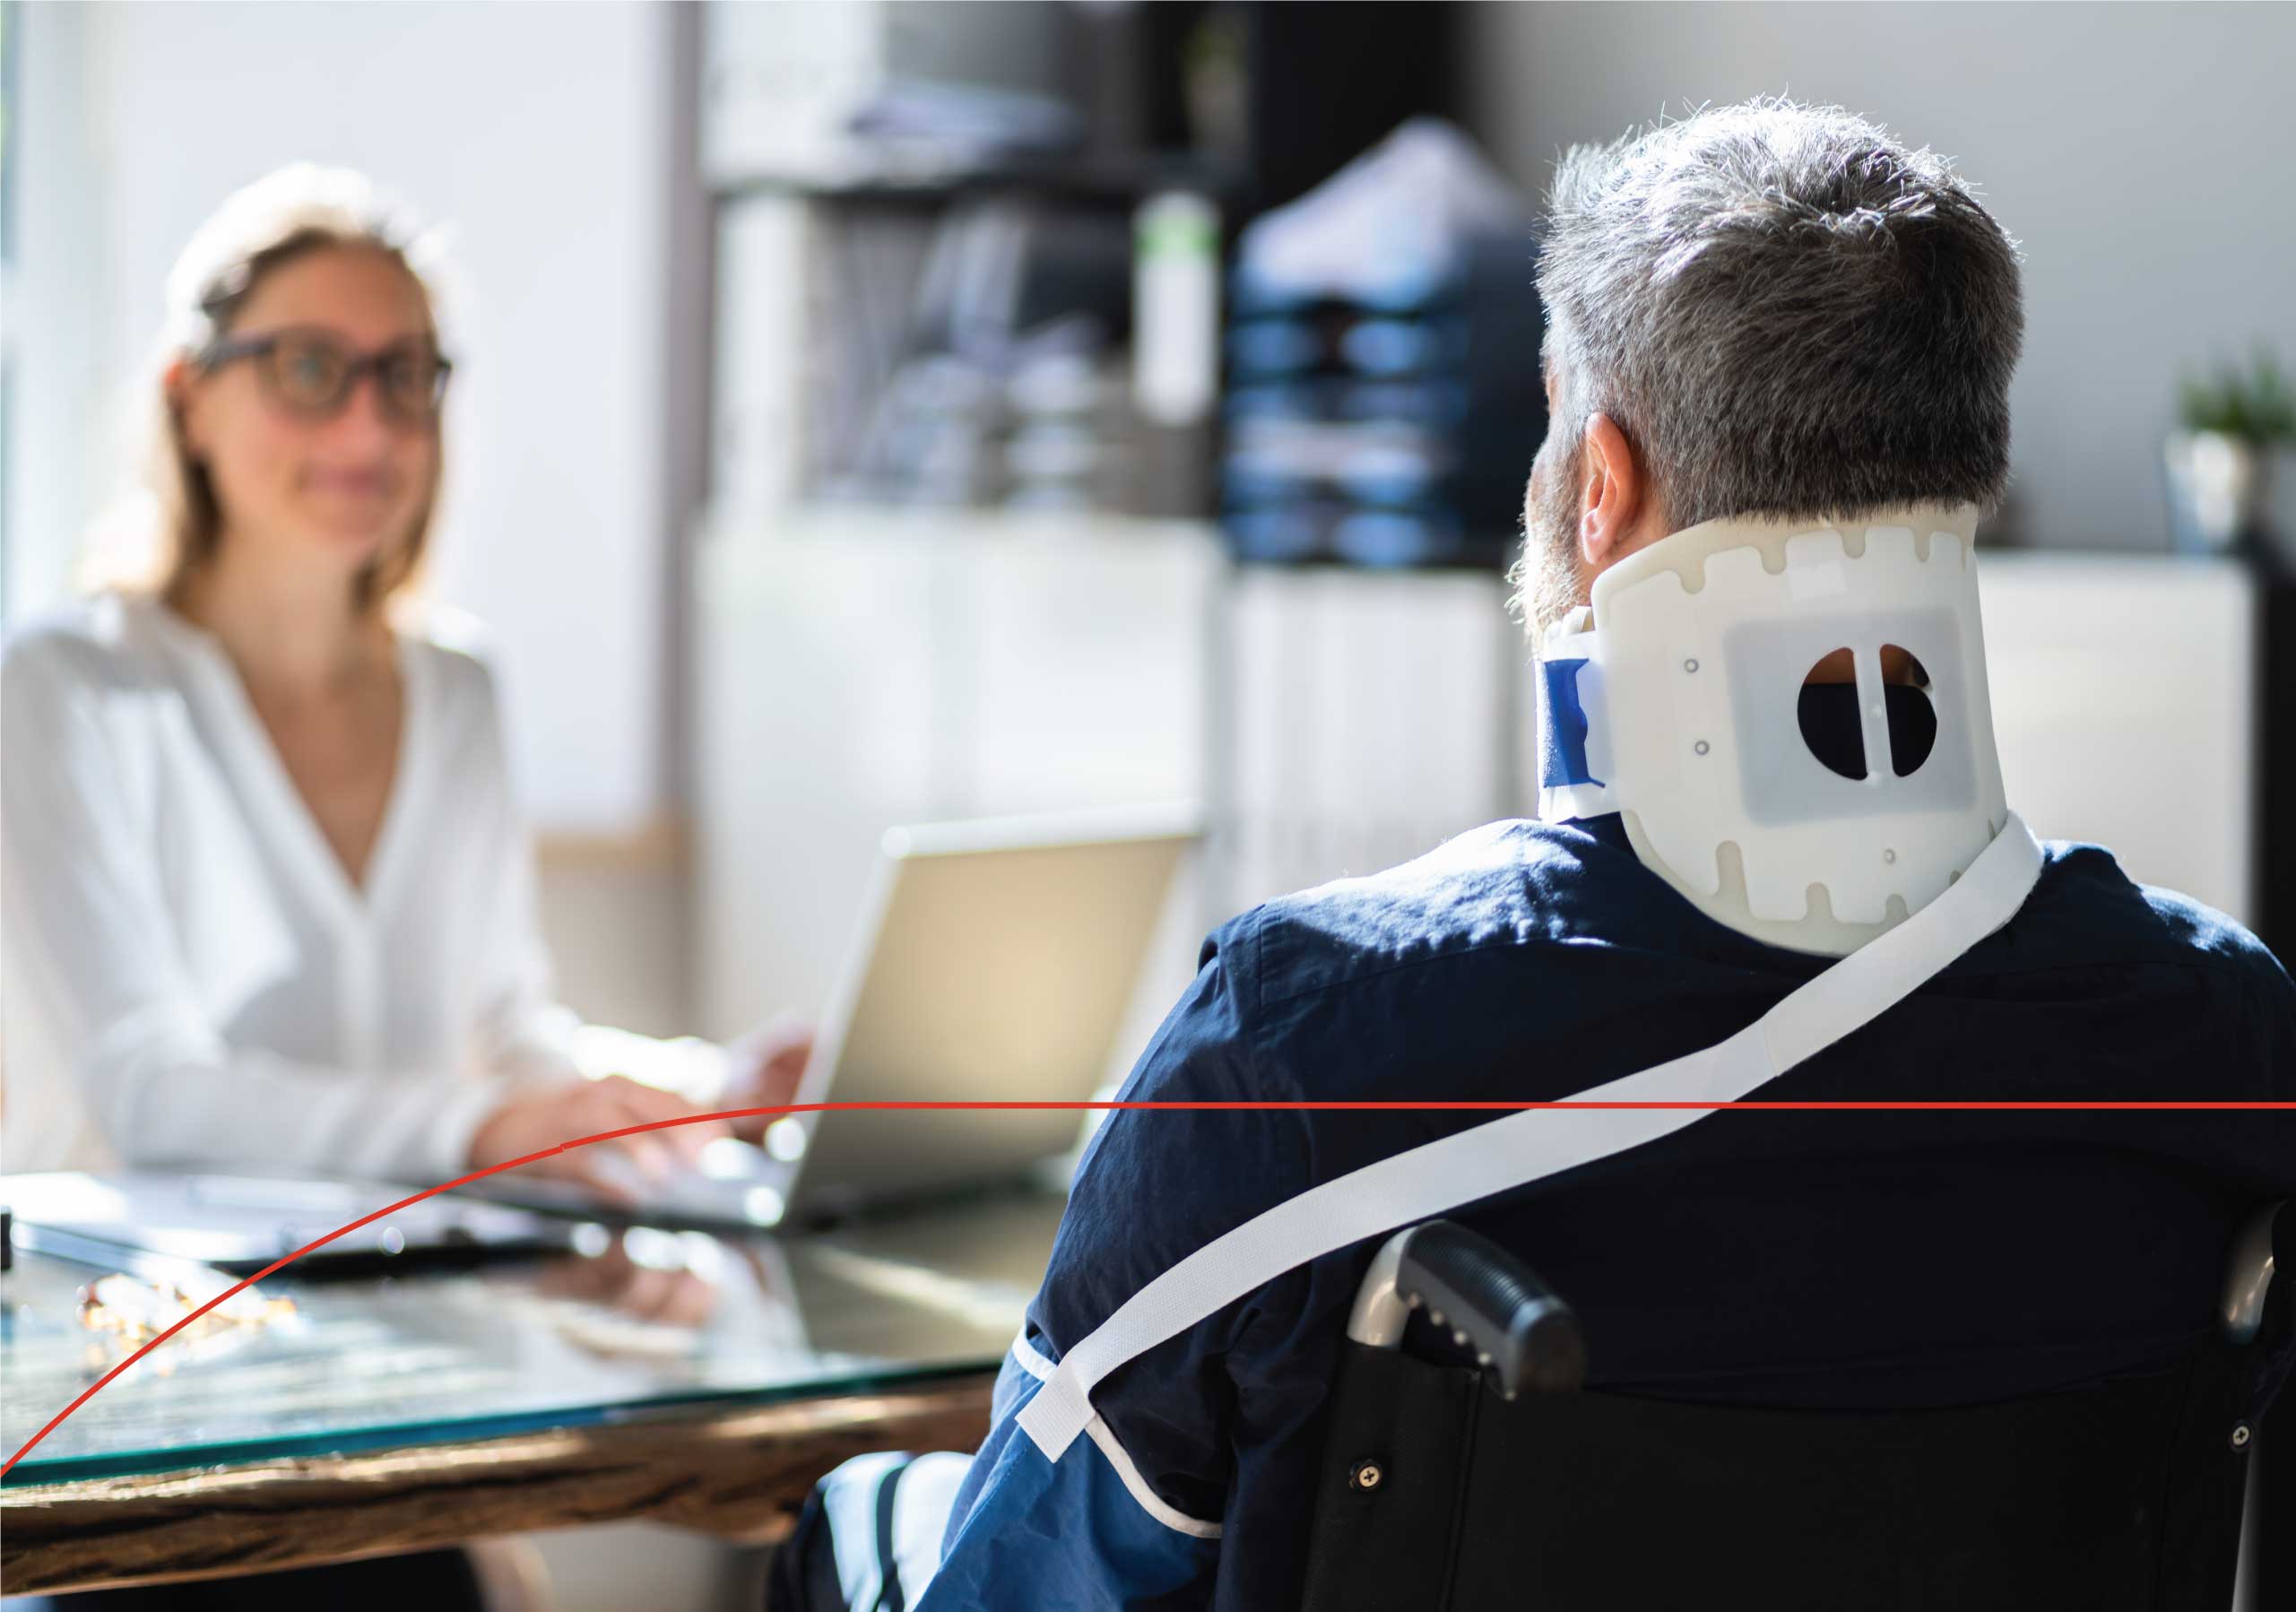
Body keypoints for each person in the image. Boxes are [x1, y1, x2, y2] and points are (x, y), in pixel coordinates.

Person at [773, 99, 2296, 1609]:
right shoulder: (2216, 1036)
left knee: (854, 1529)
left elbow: (1024, 1576)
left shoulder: (1309, 1040)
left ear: (1600, 483)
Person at [0, 163, 807, 1198]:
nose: (369, 427)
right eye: (307, 369)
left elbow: (504, 1041)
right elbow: (150, 1091)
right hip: (134, 1323)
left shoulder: (455, 689)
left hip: (412, 1293)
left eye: (405, 373)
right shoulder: (65, 688)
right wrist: (486, 1127)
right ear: (188, 399)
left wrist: (714, 1087)